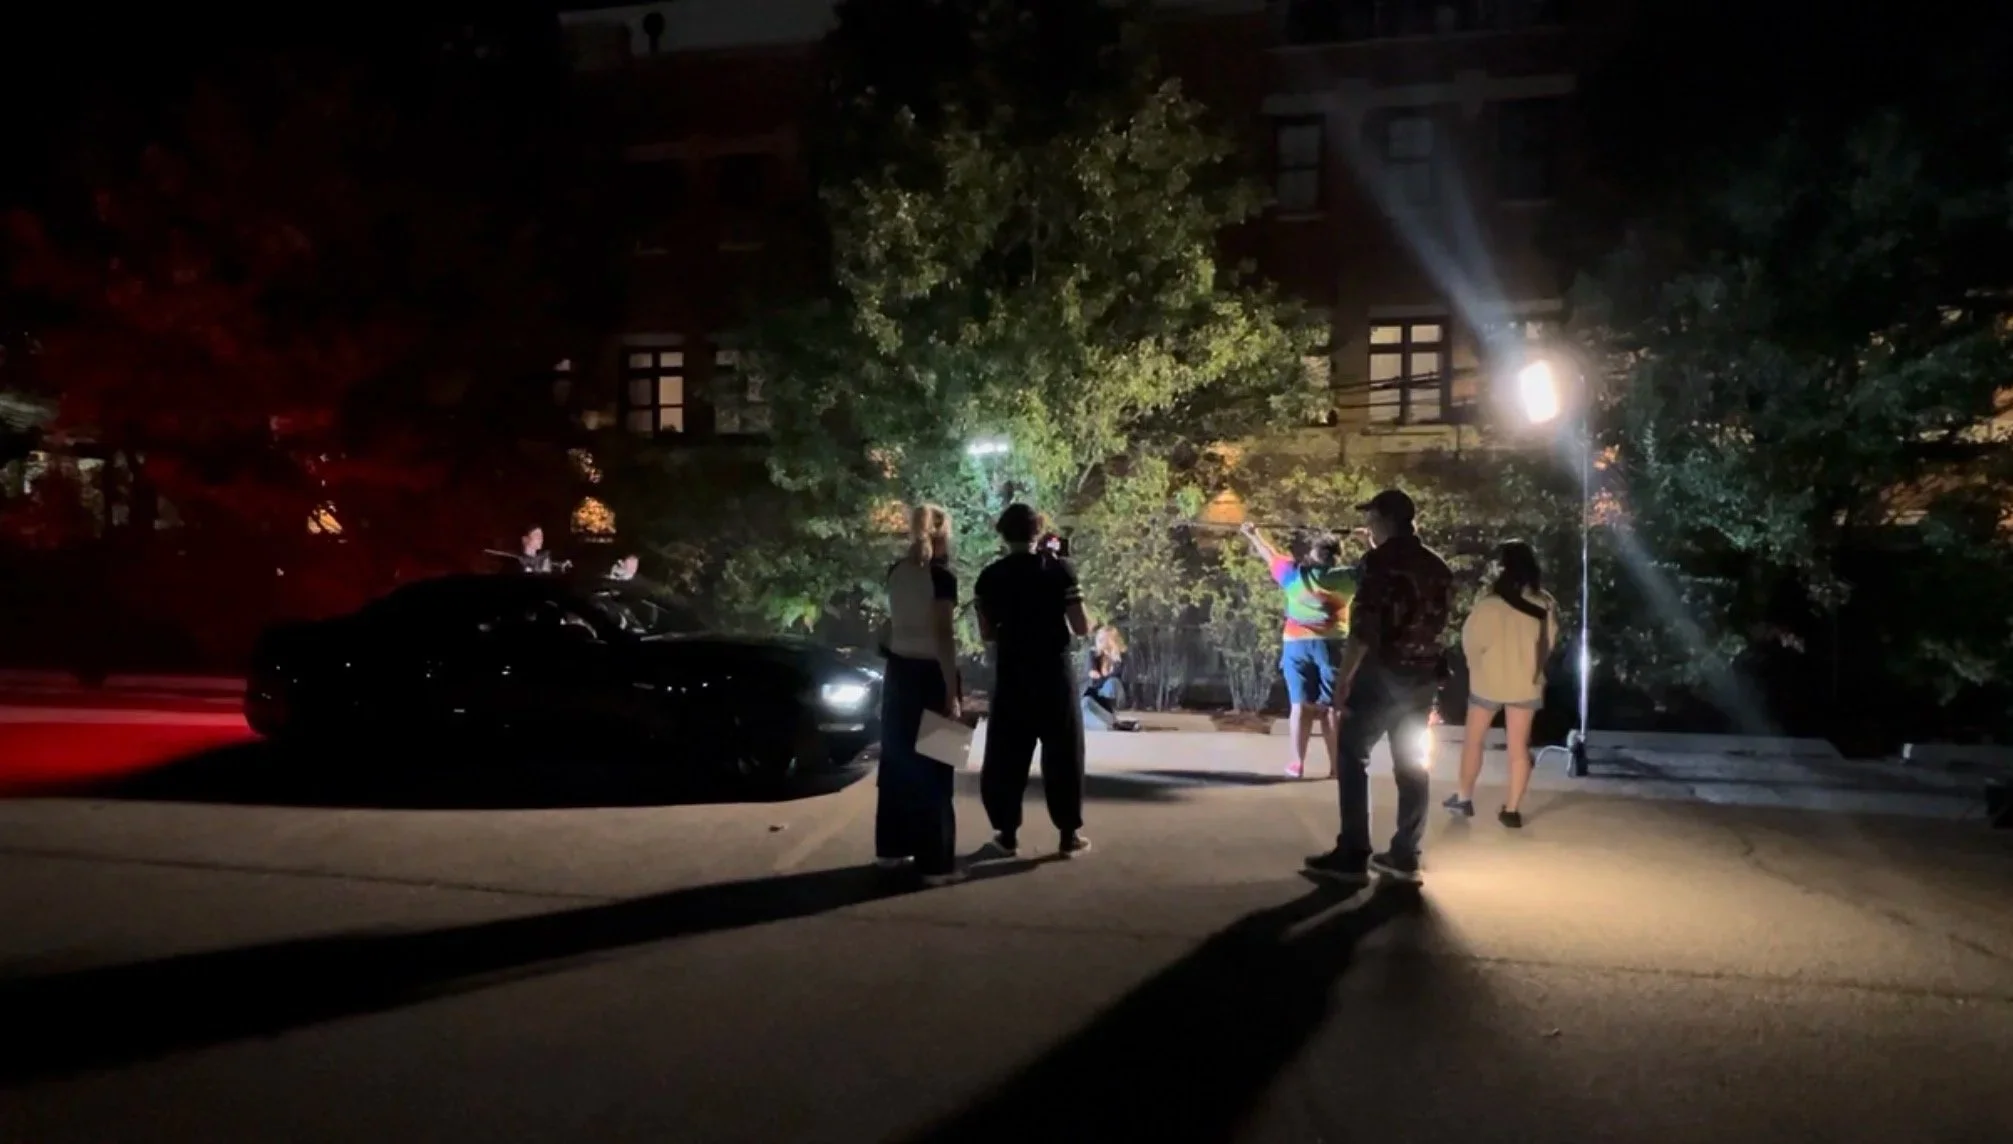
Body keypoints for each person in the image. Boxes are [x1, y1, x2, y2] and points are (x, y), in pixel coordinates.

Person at [1305, 488, 1453, 885]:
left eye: (1372, 519)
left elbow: (1364, 629)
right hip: (1422, 679)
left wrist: (1343, 681)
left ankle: (1353, 852)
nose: (1368, 527)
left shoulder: (1379, 563)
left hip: (1381, 675)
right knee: (1412, 762)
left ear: (1386, 521)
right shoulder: (1438, 567)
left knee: (1352, 753)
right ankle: (1406, 853)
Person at [974, 503, 1093, 858]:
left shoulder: (990, 577)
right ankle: (1068, 835)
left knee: (1007, 754)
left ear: (1002, 533)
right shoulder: (1059, 571)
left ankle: (1007, 834)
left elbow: (986, 634)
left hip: (1012, 672)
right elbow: (1082, 626)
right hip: (1054, 672)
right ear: (1037, 531)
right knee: (1064, 752)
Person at [876, 504, 965, 886]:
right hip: (931, 674)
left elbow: (888, 626)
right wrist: (952, 689)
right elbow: (943, 636)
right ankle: (935, 863)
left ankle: (891, 849)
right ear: (944, 534)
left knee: (896, 764)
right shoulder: (943, 577)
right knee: (937, 769)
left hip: (898, 673)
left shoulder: (895, 572)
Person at [1448, 540, 1557, 829]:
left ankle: (1463, 798)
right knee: (1518, 748)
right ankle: (1511, 809)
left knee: (1474, 740)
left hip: (1487, 683)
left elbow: (1471, 643)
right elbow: (1549, 644)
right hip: (1525, 683)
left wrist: (1477, 669)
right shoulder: (1543, 602)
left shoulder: (1489, 604)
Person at [1240, 523, 1356, 778]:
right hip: (1332, 644)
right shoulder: (1348, 578)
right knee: (1331, 708)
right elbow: (1377, 567)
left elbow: (1269, 554)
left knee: (1299, 705)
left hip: (1296, 645)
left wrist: (1252, 533)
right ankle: (1336, 767)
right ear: (1337, 556)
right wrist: (1372, 539)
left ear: (1313, 554)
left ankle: (1297, 763)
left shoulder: (1295, 575)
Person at [1082, 625, 1136, 733]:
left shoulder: (1123, 657)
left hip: (1116, 698)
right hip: (1098, 696)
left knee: (1112, 682)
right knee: (1085, 702)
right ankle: (1110, 724)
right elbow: (1092, 678)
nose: (1102, 642)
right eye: (1100, 639)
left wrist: (1116, 659)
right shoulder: (1093, 655)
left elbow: (1124, 679)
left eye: (1106, 639)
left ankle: (1110, 719)